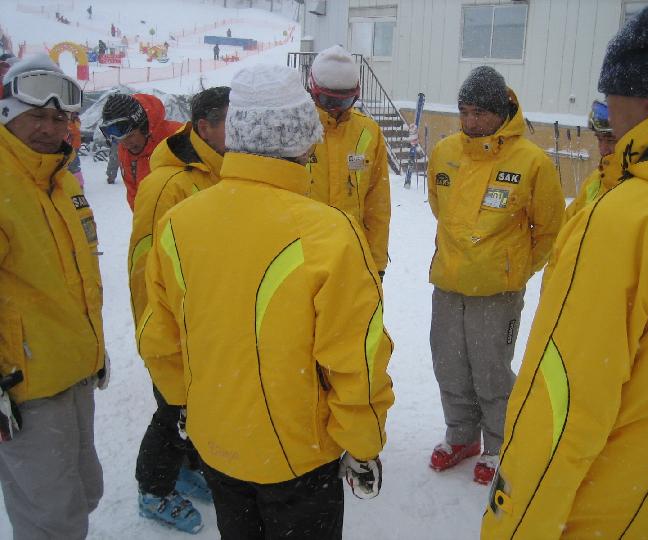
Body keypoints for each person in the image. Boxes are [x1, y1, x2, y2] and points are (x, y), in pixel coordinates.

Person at [481, 1, 648, 538]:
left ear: (643, 94)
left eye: (609, 93)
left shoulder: (628, 221)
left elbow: (562, 404)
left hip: (616, 515)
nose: (606, 113)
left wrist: (508, 525)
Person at [137, 64, 394, 539]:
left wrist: (185, 402)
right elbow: (357, 359)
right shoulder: (330, 234)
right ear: (306, 138)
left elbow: (159, 336)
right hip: (298, 455)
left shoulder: (180, 222)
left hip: (217, 445)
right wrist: (363, 443)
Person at [426, 66, 564, 484]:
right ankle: (462, 436)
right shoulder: (445, 152)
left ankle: (500, 444)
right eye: (464, 111)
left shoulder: (531, 162)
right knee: (449, 364)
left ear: (502, 112)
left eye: (480, 112)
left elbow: (550, 228)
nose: (471, 121)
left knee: (491, 369)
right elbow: (439, 207)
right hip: (448, 284)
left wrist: (514, 267)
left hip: (497, 291)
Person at [0, 54, 107, 539]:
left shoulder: (60, 180)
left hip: (74, 370)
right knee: (51, 519)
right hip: (25, 387)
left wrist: (94, 348)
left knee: (84, 492)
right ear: (8, 113)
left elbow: (81, 277)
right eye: (36, 116)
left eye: (59, 118)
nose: (49, 128)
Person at [129, 86, 230, 533]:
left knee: (196, 410)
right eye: (233, 120)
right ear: (204, 126)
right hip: (172, 330)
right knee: (172, 411)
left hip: (205, 324)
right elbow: (144, 268)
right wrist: (157, 339)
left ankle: (187, 470)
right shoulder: (168, 185)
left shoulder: (220, 172)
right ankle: (153, 489)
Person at [307, 45, 391, 278]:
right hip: (301, 257)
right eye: (327, 100)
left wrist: (377, 263)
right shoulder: (294, 129)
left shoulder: (369, 132)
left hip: (351, 258)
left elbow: (378, 205)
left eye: (343, 102)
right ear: (312, 90)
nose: (335, 109)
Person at [99, 93, 181, 210]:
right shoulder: (125, 151)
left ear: (144, 127)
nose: (125, 144)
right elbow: (134, 194)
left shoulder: (179, 137)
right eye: (119, 140)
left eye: (130, 136)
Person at [563, 100, 620, 222]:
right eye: (599, 139)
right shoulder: (597, 179)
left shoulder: (642, 188)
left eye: (611, 141)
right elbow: (570, 221)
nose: (603, 150)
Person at [66, 111, 84, 188]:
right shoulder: (74, 121)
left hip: (73, 145)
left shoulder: (74, 122)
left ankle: (79, 184)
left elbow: (73, 130)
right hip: (70, 145)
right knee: (69, 164)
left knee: (73, 164)